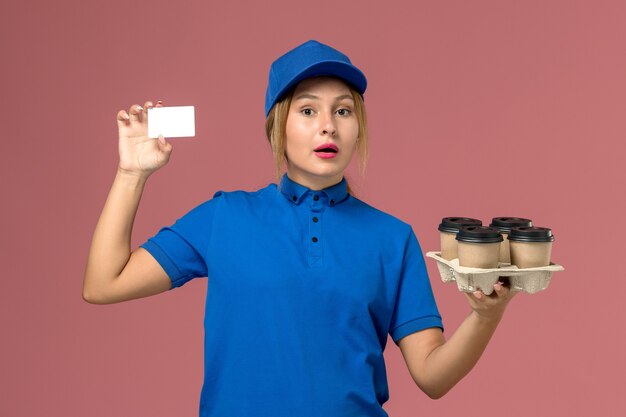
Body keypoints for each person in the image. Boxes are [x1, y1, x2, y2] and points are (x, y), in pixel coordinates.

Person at [83, 40, 515, 417]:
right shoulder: (225, 218)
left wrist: (485, 316)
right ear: (277, 126)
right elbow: (105, 283)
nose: (328, 124)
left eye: (343, 111)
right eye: (308, 110)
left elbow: (433, 378)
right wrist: (130, 174)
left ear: (357, 128)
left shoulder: (392, 238)